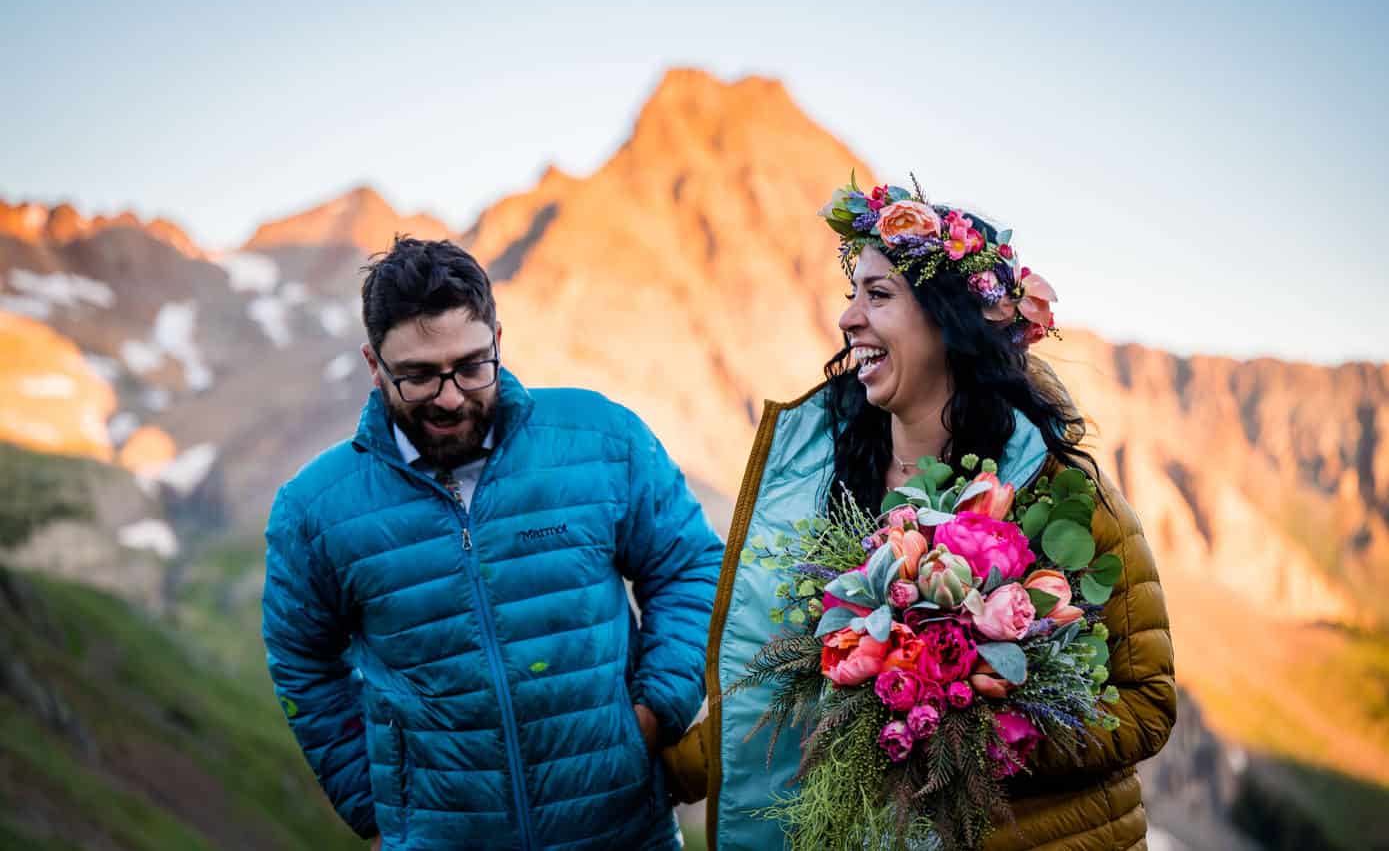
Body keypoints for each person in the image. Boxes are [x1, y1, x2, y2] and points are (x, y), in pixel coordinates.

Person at [662, 183, 1177, 850]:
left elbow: (1145, 703)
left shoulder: (1062, 493)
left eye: (877, 295)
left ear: (947, 320)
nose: (848, 319)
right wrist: (663, 771)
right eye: (851, 294)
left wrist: (967, 734)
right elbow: (785, 686)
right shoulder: (824, 488)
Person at [262, 236, 723, 850]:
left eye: (471, 365)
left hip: (623, 832)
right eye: (418, 376)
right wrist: (373, 808)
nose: (450, 397)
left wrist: (654, 710)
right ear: (374, 367)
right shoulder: (313, 509)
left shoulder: (603, 438)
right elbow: (302, 661)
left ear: (498, 340)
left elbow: (689, 565)